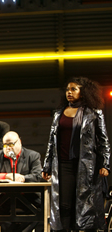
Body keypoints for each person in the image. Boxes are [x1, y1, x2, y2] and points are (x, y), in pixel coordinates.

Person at [42, 77, 110, 232]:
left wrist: (105, 164)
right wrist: (47, 164)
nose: (69, 92)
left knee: (84, 205)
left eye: (74, 89)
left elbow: (103, 141)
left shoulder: (93, 113)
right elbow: (51, 142)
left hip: (86, 165)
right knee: (63, 204)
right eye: (67, 89)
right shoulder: (59, 113)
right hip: (63, 164)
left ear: (83, 91)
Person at [0, 131, 43, 232]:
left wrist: (23, 178)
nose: (8, 147)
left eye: (11, 144)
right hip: (3, 197)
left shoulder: (33, 155)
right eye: (5, 145)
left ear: (19, 142)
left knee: (41, 210)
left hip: (27, 197)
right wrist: (6, 176)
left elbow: (38, 176)